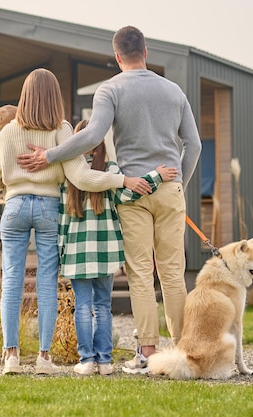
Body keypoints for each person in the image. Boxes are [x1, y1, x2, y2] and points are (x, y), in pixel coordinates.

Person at [17, 26, 202, 374]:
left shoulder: (111, 89)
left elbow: (91, 135)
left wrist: (51, 155)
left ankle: (147, 352)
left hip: (132, 192)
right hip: (170, 187)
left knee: (141, 273)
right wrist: (179, 186)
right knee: (174, 274)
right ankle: (184, 350)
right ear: (146, 52)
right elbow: (194, 145)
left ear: (118, 56)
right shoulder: (174, 91)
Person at [0, 68, 152, 375]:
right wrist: (122, 179)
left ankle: (11, 356)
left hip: (15, 206)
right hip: (48, 208)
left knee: (11, 280)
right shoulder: (61, 130)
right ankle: (44, 358)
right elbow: (82, 177)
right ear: (55, 97)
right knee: (46, 283)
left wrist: (10, 180)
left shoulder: (8, 132)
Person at [61, 120, 176, 376]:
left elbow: (62, 217)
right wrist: (156, 176)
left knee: (82, 307)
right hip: (107, 252)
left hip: (77, 253)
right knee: (102, 306)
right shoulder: (111, 169)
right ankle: (104, 362)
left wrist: (62, 252)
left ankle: (87, 361)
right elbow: (128, 194)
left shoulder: (69, 171)